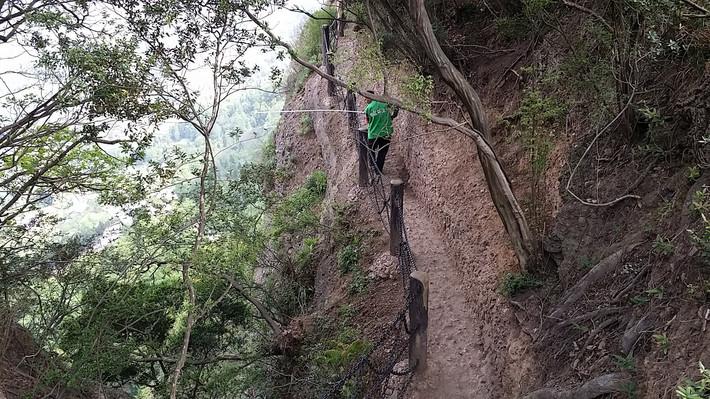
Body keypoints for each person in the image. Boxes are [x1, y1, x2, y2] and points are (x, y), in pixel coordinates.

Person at [364, 91, 399, 176]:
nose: (365, 100)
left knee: (371, 152)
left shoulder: (368, 108)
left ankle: (372, 167)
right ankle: (378, 171)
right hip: (386, 133)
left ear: (370, 97)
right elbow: (396, 108)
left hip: (373, 134)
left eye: (366, 98)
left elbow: (368, 121)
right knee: (382, 154)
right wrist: (391, 117)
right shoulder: (385, 103)